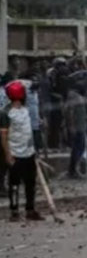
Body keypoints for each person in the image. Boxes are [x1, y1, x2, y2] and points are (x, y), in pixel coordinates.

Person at [2, 81, 43, 221]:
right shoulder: (5, 113)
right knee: (14, 184)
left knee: (30, 183)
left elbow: (28, 132)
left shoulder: (25, 110)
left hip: (28, 152)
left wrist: (33, 150)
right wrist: (7, 154)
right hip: (15, 153)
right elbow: (3, 136)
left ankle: (30, 209)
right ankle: (14, 211)